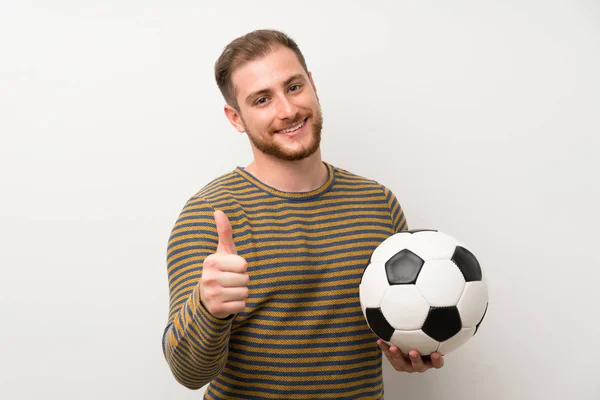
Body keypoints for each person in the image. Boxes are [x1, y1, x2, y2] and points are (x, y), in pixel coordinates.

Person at [162, 29, 444, 399]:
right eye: (262, 99)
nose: (288, 110)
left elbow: (398, 318)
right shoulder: (209, 215)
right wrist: (209, 308)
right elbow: (188, 372)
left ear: (312, 84)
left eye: (293, 87)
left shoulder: (378, 203)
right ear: (236, 118)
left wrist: (412, 345)